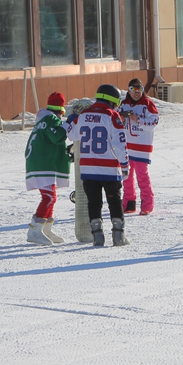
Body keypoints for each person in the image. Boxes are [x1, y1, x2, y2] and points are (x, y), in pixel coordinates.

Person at [66, 84, 131, 246]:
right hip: (109, 168)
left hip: (87, 169)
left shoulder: (83, 115)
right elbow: (120, 143)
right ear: (114, 100)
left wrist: (70, 121)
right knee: (114, 201)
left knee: (94, 203)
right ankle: (118, 236)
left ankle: (98, 237)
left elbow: (72, 134)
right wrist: (125, 164)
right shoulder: (112, 115)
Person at [23, 92, 72, 246]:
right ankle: (35, 230)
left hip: (40, 163)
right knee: (49, 197)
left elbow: (51, 143)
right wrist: (68, 124)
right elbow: (57, 137)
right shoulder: (51, 119)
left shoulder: (43, 119)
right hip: (41, 164)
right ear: (61, 109)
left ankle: (45, 228)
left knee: (52, 197)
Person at [119, 78, 160, 214]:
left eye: (139, 90)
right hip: (126, 146)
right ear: (129, 91)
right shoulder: (124, 104)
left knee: (142, 176)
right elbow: (116, 119)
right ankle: (129, 203)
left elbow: (154, 120)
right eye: (133, 90)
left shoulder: (147, 104)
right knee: (127, 176)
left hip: (142, 147)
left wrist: (139, 120)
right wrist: (121, 117)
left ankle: (147, 204)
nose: (136, 93)